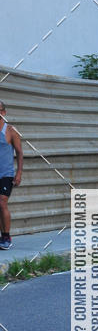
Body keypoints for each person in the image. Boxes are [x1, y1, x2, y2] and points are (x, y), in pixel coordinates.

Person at [0, 101, 23, 249]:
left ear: (3, 112)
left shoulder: (10, 131)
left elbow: (20, 152)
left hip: (6, 174)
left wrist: (19, 172)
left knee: (2, 202)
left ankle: (6, 236)